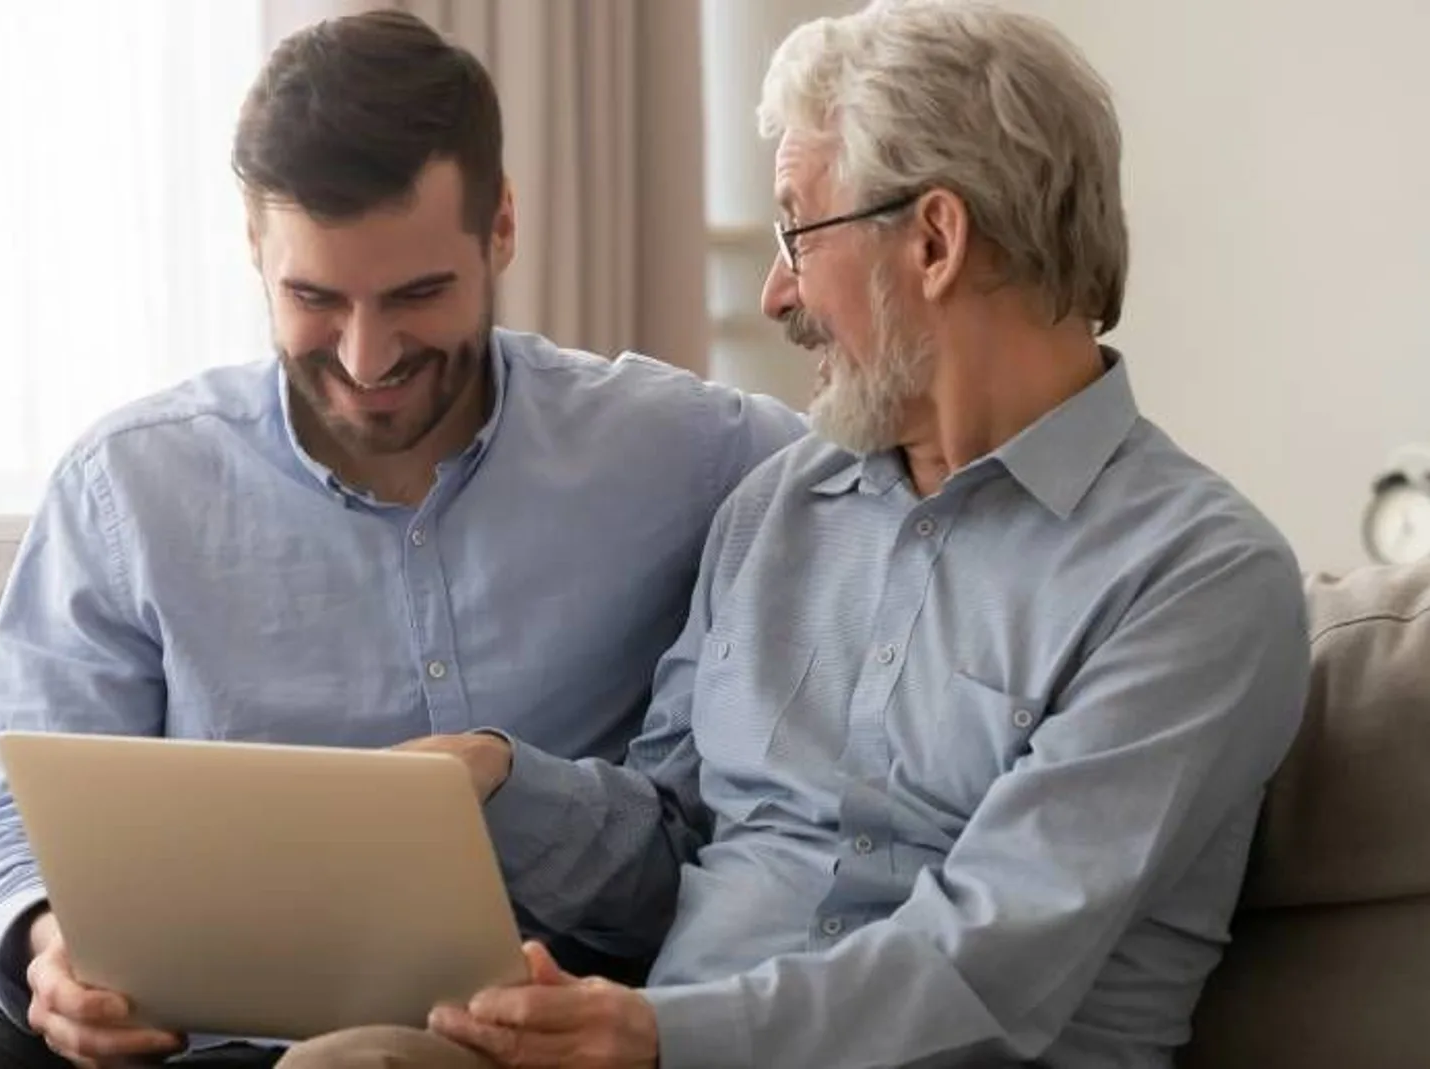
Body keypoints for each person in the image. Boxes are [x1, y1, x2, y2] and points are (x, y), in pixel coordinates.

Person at [0, 10, 802, 1069]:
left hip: (482, 1029)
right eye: (313, 296)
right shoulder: (126, 483)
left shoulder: (699, 456)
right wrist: (47, 949)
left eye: (417, 295)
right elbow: (7, 832)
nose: (365, 353)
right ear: (254, 249)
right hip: (160, 1019)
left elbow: (901, 508)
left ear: (501, 229)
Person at [280, 2, 1311, 1067]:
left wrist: (657, 1031)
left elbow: (992, 961)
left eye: (793, 228)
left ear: (933, 239)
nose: (776, 290)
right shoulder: (773, 510)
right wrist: (497, 781)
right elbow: (672, 846)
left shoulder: (1195, 577)